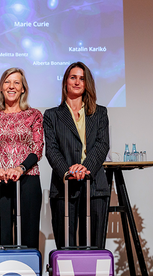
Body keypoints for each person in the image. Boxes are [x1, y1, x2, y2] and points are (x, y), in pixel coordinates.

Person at [43, 61, 110, 250]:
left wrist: (84, 168)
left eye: (82, 78)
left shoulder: (100, 113)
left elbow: (102, 145)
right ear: (65, 82)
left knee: (94, 246)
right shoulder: (52, 115)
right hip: (63, 186)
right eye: (73, 77)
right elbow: (52, 149)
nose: (77, 82)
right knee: (66, 248)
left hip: (94, 185)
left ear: (87, 83)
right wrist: (68, 171)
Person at [0, 67, 44, 249]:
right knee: (2, 237)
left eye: (17, 82)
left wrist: (20, 168)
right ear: (1, 87)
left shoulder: (34, 115)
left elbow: (37, 148)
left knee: (28, 235)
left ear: (23, 89)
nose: (11, 86)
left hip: (28, 179)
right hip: (0, 180)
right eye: (7, 82)